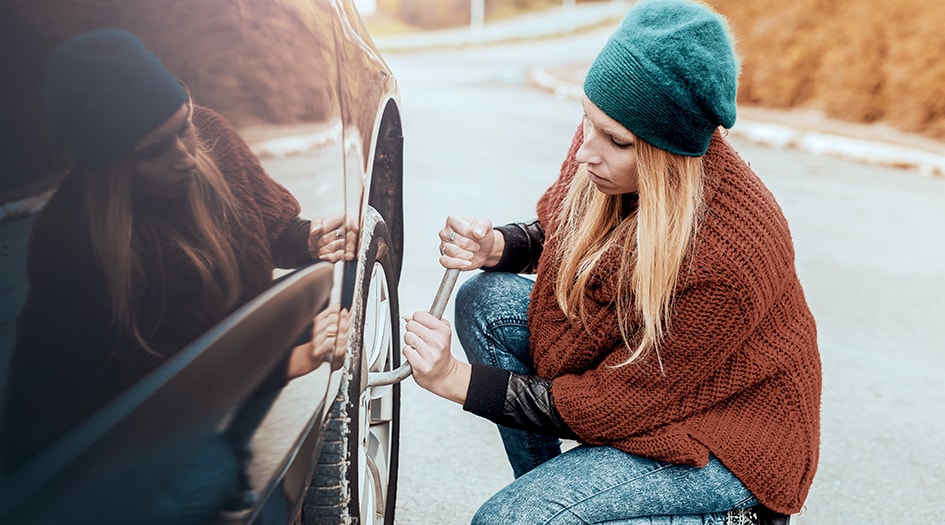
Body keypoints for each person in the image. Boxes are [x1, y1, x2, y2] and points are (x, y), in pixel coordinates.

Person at [401, 1, 821, 524]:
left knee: (507, 522)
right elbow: (566, 232)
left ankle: (736, 519)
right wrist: (498, 248)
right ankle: (562, 500)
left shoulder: (727, 257)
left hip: (727, 437)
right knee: (484, 301)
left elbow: (622, 401)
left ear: (665, 152)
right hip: (652, 393)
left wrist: (453, 380)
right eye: (587, 121)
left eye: (616, 141)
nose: (584, 152)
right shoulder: (610, 136)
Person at [0, 28, 348, 519]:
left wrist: (308, 239)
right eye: (153, 150)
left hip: (208, 381)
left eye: (183, 125)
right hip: (106, 434)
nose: (186, 155)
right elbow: (149, 389)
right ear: (109, 167)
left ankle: (230, 454)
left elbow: (265, 231)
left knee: (303, 296)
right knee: (205, 478)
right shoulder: (73, 242)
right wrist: (294, 360)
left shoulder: (209, 137)